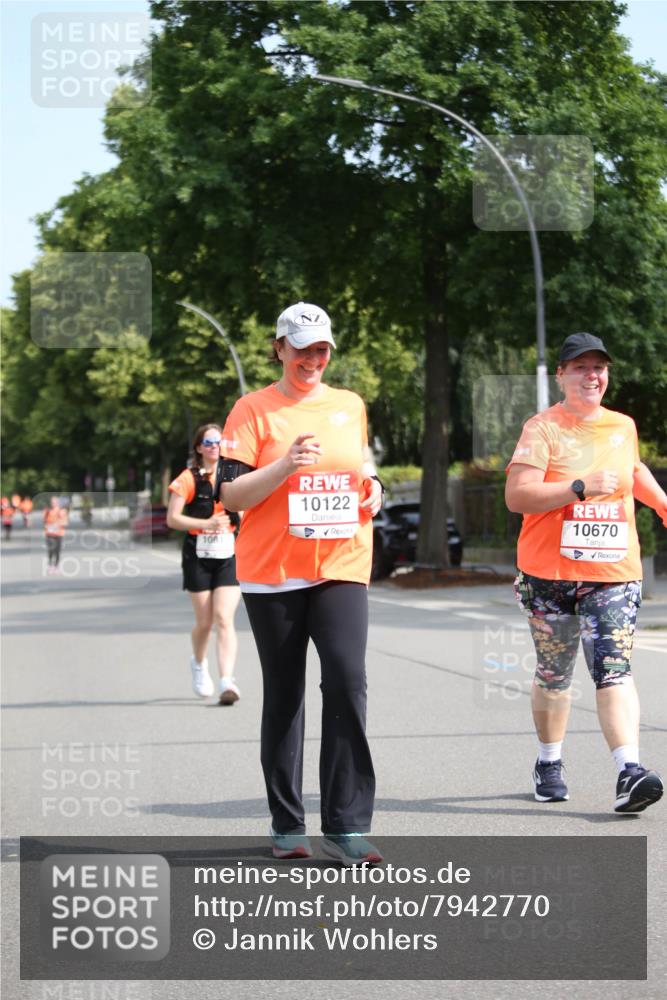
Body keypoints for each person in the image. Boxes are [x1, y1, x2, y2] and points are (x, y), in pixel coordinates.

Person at [220, 301, 384, 866]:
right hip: (273, 573)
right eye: (302, 349)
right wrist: (285, 465)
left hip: (341, 563)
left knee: (347, 680)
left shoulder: (349, 405)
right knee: (285, 694)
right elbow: (231, 494)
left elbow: (360, 467)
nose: (312, 359)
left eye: (321, 350)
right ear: (279, 348)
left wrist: (375, 487)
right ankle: (288, 822)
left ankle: (346, 826)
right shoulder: (252, 409)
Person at [506, 332, 666, 813]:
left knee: (613, 668)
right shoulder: (542, 428)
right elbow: (518, 496)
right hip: (548, 574)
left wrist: (663, 503)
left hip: (612, 571)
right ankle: (549, 761)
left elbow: (633, 470)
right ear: (561, 375)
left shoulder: (622, 426)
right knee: (554, 674)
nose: (592, 375)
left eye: (599, 367)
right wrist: (579, 486)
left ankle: (629, 770)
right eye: (580, 367)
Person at [167, 423, 242, 705]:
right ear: (199, 447)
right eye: (208, 442)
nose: (214, 447)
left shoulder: (234, 475)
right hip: (198, 554)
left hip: (229, 554)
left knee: (224, 618)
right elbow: (173, 519)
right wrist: (206, 523)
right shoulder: (188, 478)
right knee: (205, 622)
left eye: (218, 442)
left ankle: (227, 681)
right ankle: (198, 663)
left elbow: (247, 509)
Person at [43, 496, 68, 573]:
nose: (53, 504)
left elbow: (65, 522)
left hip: (59, 533)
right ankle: (50, 565)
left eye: (55, 502)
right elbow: (44, 521)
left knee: (57, 551)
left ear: (58, 503)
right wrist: (47, 526)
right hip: (49, 534)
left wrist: (57, 524)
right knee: (51, 550)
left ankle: (56, 566)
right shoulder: (47, 511)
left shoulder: (62, 511)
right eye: (52, 502)